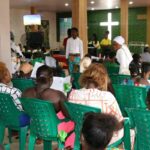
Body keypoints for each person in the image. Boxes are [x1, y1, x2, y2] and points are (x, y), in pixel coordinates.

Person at [68, 63, 123, 145]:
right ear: (104, 79)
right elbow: (119, 122)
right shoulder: (107, 97)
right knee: (130, 131)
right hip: (101, 139)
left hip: (80, 136)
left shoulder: (73, 94)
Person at [22, 65, 75, 149]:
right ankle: (67, 147)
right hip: (54, 130)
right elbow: (69, 115)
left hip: (35, 127)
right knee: (75, 123)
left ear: (36, 78)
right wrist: (67, 94)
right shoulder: (57, 95)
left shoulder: (25, 93)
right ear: (51, 79)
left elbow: (25, 110)